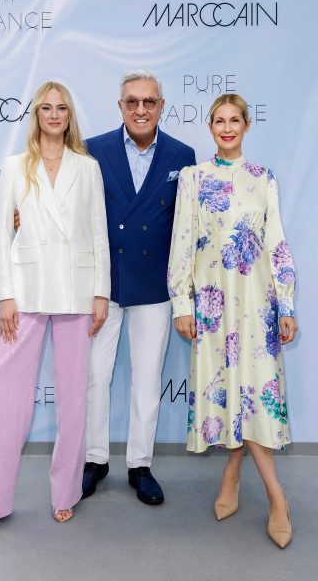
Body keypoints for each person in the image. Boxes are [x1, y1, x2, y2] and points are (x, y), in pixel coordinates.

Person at [0, 81, 110, 528]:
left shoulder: (87, 168)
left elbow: (98, 233)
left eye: (61, 108)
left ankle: (66, 492)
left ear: (69, 116)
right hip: (25, 291)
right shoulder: (15, 166)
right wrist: (5, 294)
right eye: (46, 108)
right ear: (37, 115)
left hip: (76, 291)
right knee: (5, 391)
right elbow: (1, 237)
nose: (53, 115)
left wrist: (100, 293)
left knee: (72, 398)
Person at [168, 93, 297, 547]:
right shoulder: (192, 178)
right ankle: (241, 474)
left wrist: (287, 303)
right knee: (229, 391)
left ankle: (271, 493)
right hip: (211, 304)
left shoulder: (263, 179)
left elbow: (277, 241)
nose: (227, 128)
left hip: (257, 306)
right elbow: (182, 242)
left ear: (246, 126)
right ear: (210, 127)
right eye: (219, 121)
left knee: (254, 395)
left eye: (234, 121)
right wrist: (182, 305)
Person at [82, 70, 196, 505]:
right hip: (102, 285)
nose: (141, 109)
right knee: (96, 377)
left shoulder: (182, 155)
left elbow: (192, 223)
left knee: (147, 381)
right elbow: (70, 207)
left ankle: (140, 466)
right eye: (132, 101)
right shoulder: (93, 150)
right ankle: (95, 460)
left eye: (149, 101)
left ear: (161, 106)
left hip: (154, 286)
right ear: (120, 106)